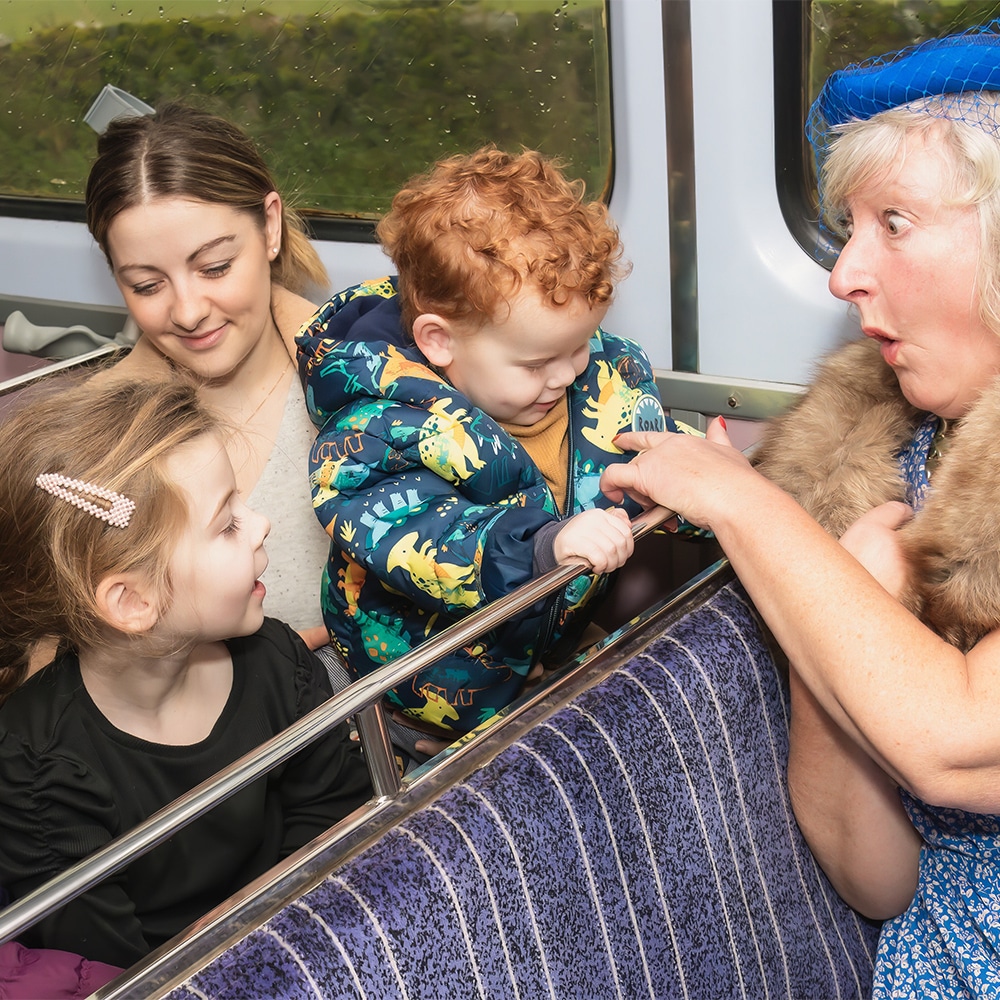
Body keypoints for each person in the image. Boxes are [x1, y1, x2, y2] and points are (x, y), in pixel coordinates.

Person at [600, 24, 1000, 997]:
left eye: (893, 223)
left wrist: (747, 505)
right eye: (848, 227)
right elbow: (875, 877)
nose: (842, 273)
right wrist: (849, 594)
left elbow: (956, 742)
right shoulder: (906, 454)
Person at [297, 146, 690, 740]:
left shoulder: (596, 375)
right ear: (439, 341)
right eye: (537, 362)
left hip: (553, 646)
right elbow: (416, 538)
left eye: (578, 345)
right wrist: (538, 548)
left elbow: (640, 447)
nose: (564, 376)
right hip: (433, 693)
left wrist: (707, 479)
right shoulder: (375, 430)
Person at [0, 375, 372, 970]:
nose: (261, 525)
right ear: (132, 601)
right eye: (227, 524)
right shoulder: (38, 768)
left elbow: (336, 820)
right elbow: (101, 963)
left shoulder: (277, 659)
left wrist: (279, 932)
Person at [84, 102, 333, 652]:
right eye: (147, 285)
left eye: (215, 267)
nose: (189, 310)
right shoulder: (94, 447)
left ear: (270, 226)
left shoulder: (382, 390)